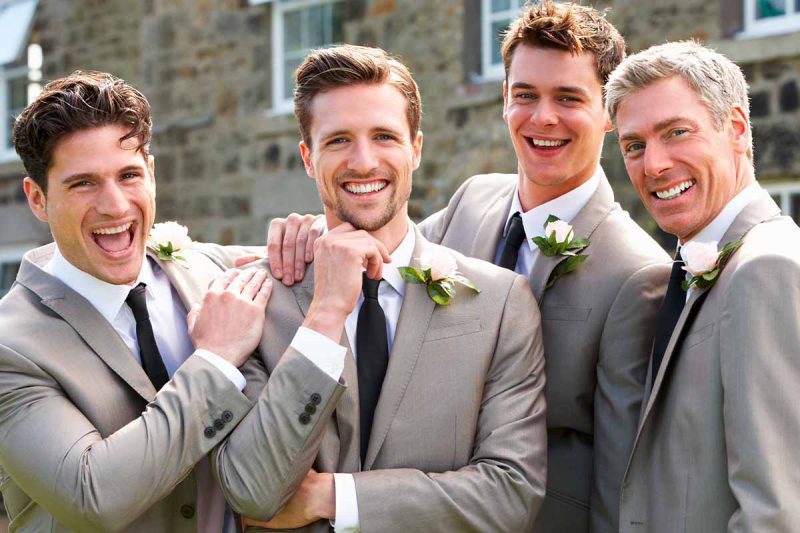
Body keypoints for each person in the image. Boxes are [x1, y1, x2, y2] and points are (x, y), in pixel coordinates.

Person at [266, 3, 669, 531]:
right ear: (505, 101)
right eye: (525, 95)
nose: (542, 117)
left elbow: (624, 475)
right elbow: (385, 247)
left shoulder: (639, 275)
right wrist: (312, 231)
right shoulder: (474, 199)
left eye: (568, 98)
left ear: (608, 113)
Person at [214, 44, 547, 532]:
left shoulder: (499, 304)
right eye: (339, 140)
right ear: (309, 157)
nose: (364, 161)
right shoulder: (254, 300)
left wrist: (335, 497)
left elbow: (511, 493)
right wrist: (325, 314)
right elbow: (253, 491)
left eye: (384, 136)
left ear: (415, 148)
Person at [0, 71, 345, 532]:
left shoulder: (215, 270)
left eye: (129, 175)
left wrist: (311, 236)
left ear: (153, 174)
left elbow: (366, 254)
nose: (116, 205)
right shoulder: (10, 347)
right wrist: (216, 359)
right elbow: (92, 497)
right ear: (38, 198)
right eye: (83, 183)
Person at [606, 40, 800, 532]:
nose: (653, 166)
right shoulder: (704, 265)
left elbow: (776, 512)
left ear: (735, 129)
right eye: (635, 146)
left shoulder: (767, 267)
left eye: (676, 133)